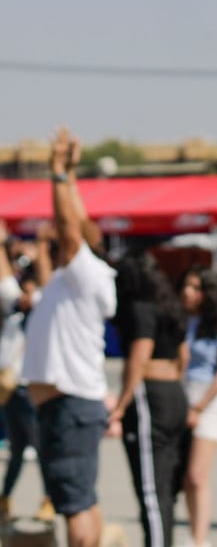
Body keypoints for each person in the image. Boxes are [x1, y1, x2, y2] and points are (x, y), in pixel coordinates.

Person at [21, 128, 117, 547]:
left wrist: (58, 176)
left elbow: (70, 226)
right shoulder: (67, 278)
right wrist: (72, 175)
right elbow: (72, 224)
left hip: (68, 406)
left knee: (76, 506)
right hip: (65, 407)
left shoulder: (87, 274)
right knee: (81, 500)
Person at [108, 250, 189, 547]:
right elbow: (184, 356)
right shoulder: (168, 305)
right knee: (163, 489)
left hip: (150, 396)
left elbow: (139, 356)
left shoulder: (139, 308)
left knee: (150, 491)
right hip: (174, 394)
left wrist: (121, 403)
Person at [178, 266, 217, 547]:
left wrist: (199, 407)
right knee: (186, 479)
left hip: (209, 400)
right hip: (185, 394)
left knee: (197, 474)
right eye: (186, 286)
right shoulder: (186, 321)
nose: (187, 293)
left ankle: (200, 540)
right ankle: (195, 533)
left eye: (194, 287)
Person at [0, 221, 55, 523]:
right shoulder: (15, 310)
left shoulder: (42, 307)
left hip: (26, 385)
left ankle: (47, 499)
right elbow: (7, 286)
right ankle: (6, 498)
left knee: (37, 445)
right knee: (21, 447)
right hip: (11, 385)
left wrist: (41, 249)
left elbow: (12, 285)